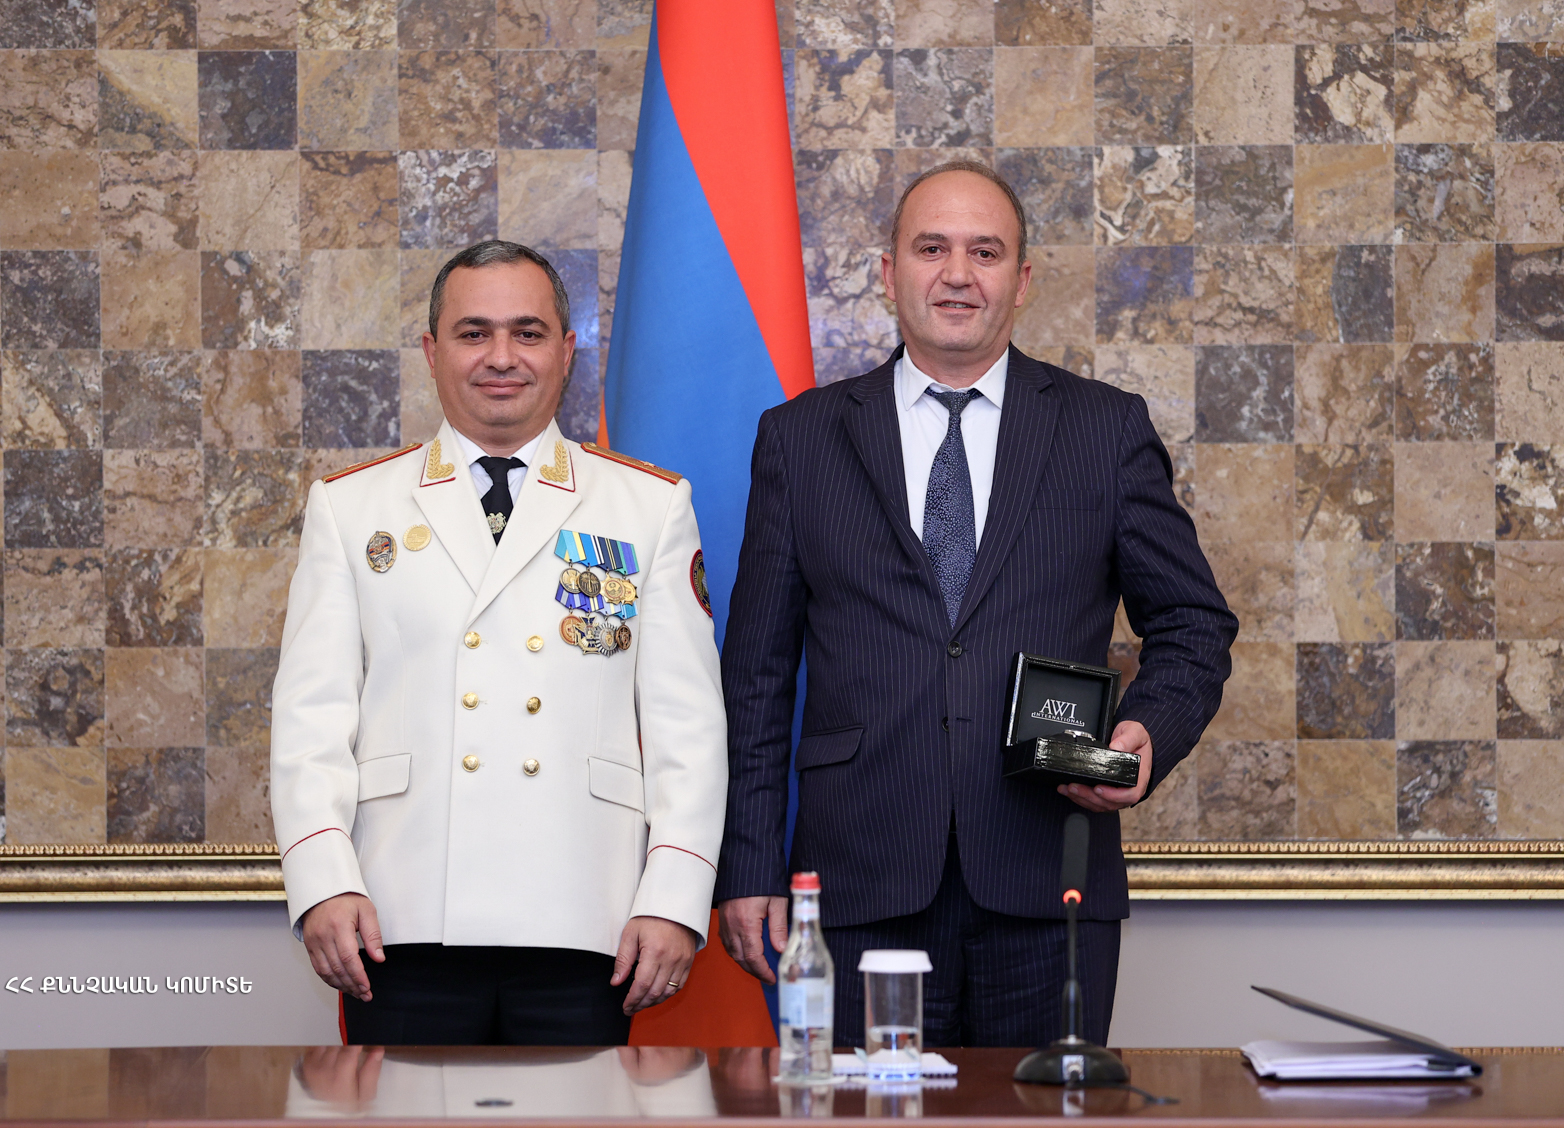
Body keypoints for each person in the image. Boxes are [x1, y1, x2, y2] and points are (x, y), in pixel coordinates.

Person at [713, 162, 1238, 1048]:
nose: (958, 274)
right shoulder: (800, 439)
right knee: (865, 1115)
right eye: (932, 249)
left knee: (1042, 1113)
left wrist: (1149, 732)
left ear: (1022, 280)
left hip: (1048, 874)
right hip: (858, 879)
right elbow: (757, 675)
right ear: (889, 273)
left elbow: (1194, 623)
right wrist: (750, 863)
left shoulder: (1104, 429)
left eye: (985, 252)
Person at [271, 239, 727, 1046]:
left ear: (566, 350)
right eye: (474, 333)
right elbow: (312, 720)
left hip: (588, 915)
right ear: (432, 350)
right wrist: (323, 881)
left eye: (528, 332)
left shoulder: (648, 508)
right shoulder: (352, 508)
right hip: (399, 914)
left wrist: (673, 897)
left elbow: (687, 729)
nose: (502, 357)